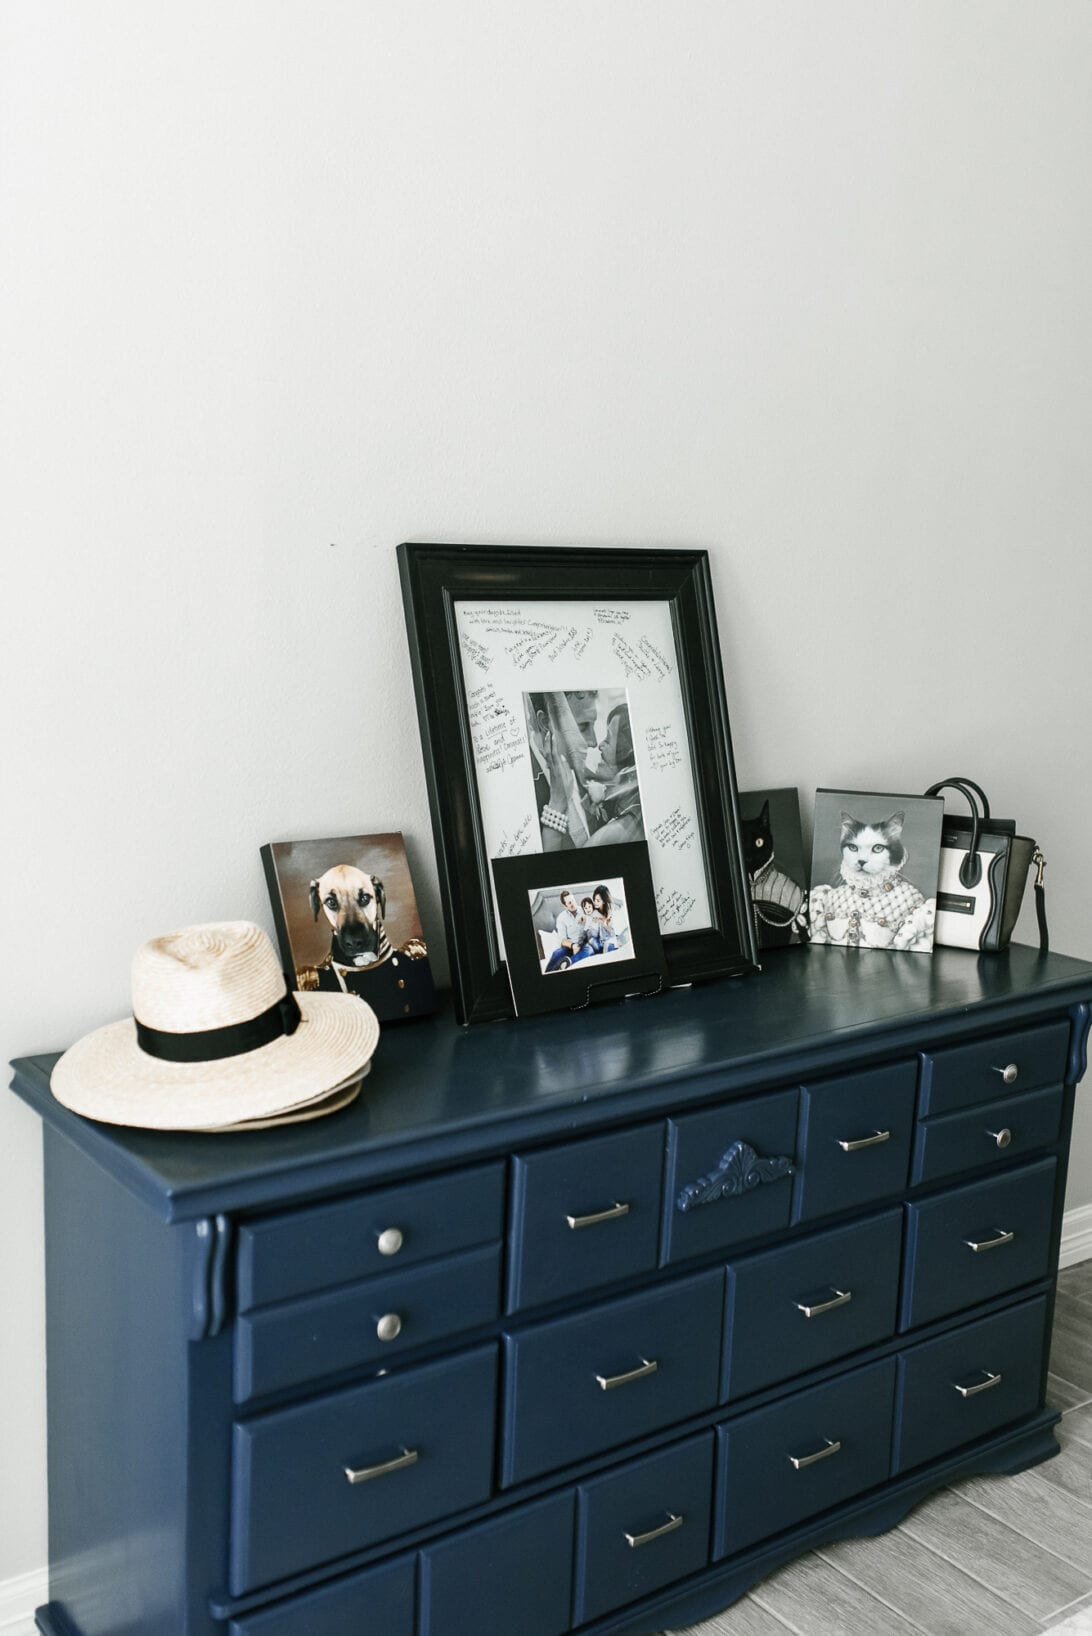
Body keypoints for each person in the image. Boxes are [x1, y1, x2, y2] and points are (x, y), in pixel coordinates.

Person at [527, 690, 644, 850]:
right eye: (582, 727)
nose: (593, 742)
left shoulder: (578, 771)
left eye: (593, 725)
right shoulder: (523, 790)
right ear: (546, 722)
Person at [542, 888, 589, 972]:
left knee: (588, 950)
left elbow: (596, 919)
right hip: (570, 947)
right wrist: (573, 946)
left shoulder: (585, 910)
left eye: (573, 900)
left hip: (584, 944)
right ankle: (548, 974)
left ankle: (568, 963)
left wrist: (587, 918)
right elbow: (563, 940)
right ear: (565, 905)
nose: (573, 904)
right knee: (557, 953)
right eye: (569, 903)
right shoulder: (561, 918)